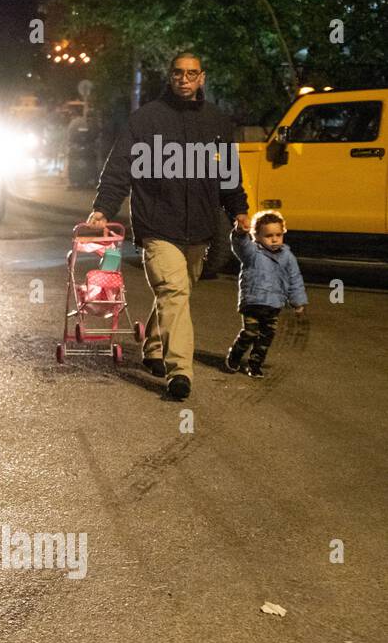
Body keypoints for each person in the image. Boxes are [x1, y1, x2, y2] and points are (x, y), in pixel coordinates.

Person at [87, 50, 250, 400]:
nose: (185, 79)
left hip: (199, 228)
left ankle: (152, 348)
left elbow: (229, 175)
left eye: (192, 73)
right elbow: (119, 167)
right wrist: (103, 208)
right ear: (170, 76)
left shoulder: (218, 124)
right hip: (157, 226)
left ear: (202, 77)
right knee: (174, 292)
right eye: (178, 73)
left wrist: (239, 209)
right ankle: (180, 372)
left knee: (177, 292)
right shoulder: (145, 120)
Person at [224, 210, 307, 377]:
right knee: (249, 333)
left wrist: (298, 301)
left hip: (274, 305)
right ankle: (235, 355)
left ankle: (255, 364)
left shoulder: (287, 257)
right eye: (269, 235)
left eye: (278, 234)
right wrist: (240, 232)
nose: (274, 239)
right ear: (257, 236)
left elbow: (294, 278)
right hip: (254, 302)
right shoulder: (253, 253)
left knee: (266, 337)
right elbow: (240, 244)